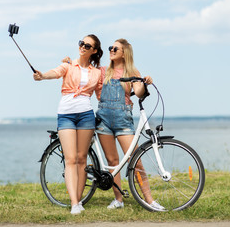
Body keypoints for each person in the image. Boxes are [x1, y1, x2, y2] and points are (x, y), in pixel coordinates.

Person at [33, 34, 103, 215]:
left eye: (87, 45)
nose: (83, 47)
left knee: (82, 159)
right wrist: (41, 76)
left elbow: (101, 95)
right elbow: (54, 73)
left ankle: (78, 201)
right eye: (81, 43)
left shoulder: (97, 72)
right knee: (70, 159)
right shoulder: (68, 65)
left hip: (86, 115)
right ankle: (74, 204)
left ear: (94, 50)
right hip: (66, 116)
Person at [95, 38, 164, 210]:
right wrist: (69, 63)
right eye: (111, 48)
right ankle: (118, 200)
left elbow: (139, 93)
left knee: (136, 161)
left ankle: (150, 200)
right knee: (112, 162)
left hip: (123, 121)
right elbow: (84, 72)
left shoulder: (131, 71)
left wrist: (143, 82)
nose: (111, 50)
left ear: (124, 53)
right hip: (103, 120)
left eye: (115, 48)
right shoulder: (103, 71)